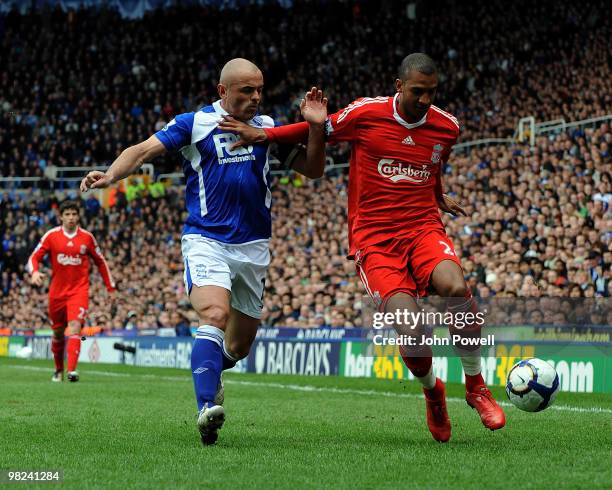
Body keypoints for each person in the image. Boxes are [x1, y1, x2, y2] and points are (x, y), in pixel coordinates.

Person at [218, 53, 505, 442]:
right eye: (418, 92)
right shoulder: (365, 114)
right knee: (412, 328)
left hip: (422, 227)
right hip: (374, 239)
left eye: (432, 93)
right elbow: (313, 129)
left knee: (456, 286)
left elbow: (432, 163)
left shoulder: (446, 126)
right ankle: (433, 392)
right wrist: (265, 135)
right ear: (399, 85)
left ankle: (476, 386)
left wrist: (438, 194)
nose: (425, 100)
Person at [80, 58, 328, 445]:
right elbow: (143, 151)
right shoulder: (195, 124)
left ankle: (214, 371)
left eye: (259, 89)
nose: (256, 97)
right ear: (222, 91)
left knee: (240, 346)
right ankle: (205, 408)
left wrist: (315, 127)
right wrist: (111, 175)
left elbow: (313, 169)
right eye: (247, 90)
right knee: (214, 313)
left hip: (254, 247)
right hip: (206, 240)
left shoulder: (265, 128)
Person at [27, 200, 116, 382]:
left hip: (79, 291)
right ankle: (58, 370)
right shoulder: (51, 236)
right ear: (61, 217)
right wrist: (34, 272)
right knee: (58, 332)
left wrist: (110, 287)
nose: (71, 218)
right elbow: (34, 257)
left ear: (78, 216)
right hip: (57, 293)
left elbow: (100, 261)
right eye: (67, 214)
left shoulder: (87, 238)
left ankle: (72, 371)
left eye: (74, 214)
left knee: (75, 326)